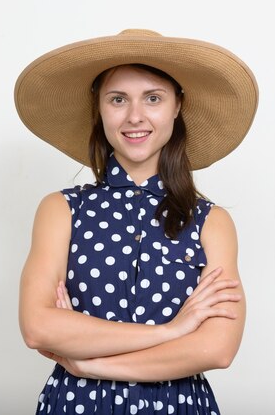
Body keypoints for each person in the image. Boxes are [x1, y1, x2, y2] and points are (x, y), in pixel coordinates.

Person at [14, 29, 258, 415]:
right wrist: (172, 331)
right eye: (117, 99)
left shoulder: (212, 221)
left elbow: (217, 348)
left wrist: (91, 362)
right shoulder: (61, 209)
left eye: (153, 98)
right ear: (99, 109)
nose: (134, 116)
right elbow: (38, 327)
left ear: (178, 106)